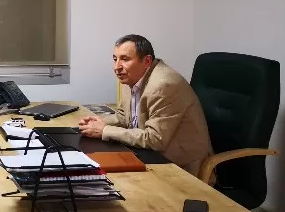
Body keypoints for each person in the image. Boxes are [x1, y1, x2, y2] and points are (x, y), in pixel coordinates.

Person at [78, 34, 213, 174]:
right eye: (115, 59)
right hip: (150, 154)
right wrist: (98, 123)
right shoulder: (131, 77)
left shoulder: (164, 85)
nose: (117, 67)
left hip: (181, 167)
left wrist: (105, 130)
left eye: (125, 59)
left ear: (147, 61)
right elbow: (125, 117)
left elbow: (155, 139)